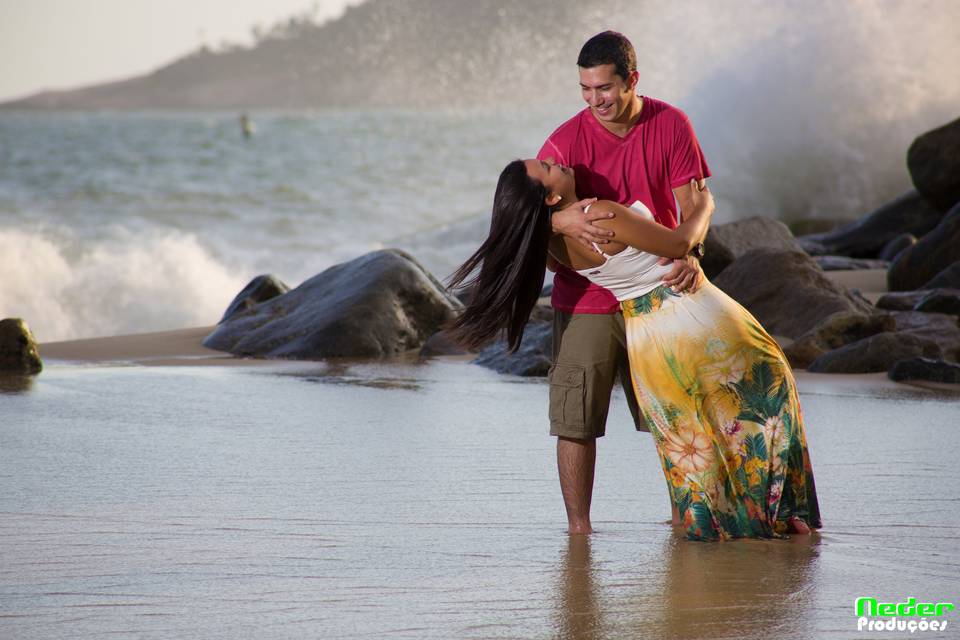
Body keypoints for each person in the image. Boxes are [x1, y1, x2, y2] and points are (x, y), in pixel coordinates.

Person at [449, 157, 822, 541]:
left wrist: (553, 221)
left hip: (649, 339)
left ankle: (736, 521)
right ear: (551, 196)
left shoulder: (552, 244)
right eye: (548, 167)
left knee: (697, 430)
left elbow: (529, 228)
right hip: (691, 318)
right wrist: (706, 207)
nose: (556, 160)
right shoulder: (601, 214)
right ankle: (781, 514)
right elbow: (679, 242)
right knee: (769, 397)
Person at [538, 31, 710, 534]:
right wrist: (558, 223)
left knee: (674, 418)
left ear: (632, 80)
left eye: (604, 89)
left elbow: (695, 205)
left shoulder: (670, 124)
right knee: (575, 422)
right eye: (585, 90)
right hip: (587, 299)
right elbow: (519, 217)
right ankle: (579, 531)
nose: (595, 101)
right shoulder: (565, 141)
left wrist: (693, 251)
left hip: (659, 291)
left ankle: (687, 520)